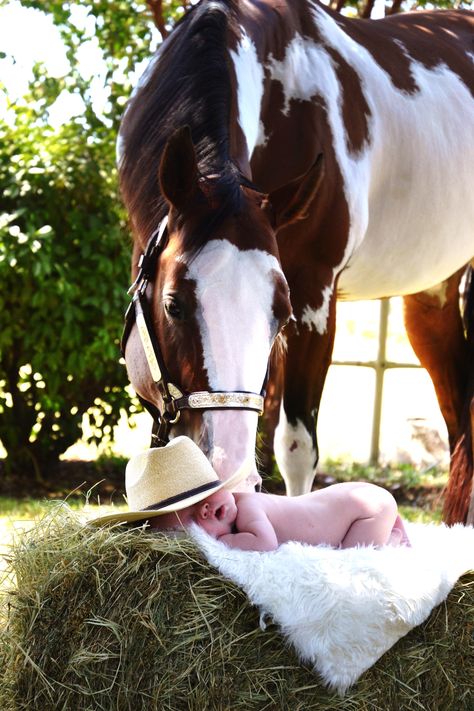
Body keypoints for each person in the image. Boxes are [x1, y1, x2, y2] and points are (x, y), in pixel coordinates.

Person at [90, 436, 410, 551]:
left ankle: (391, 543)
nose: (204, 511)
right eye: (190, 520)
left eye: (204, 499)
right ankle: (391, 532)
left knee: (355, 560)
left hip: (364, 507)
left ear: (221, 486)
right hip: (352, 502)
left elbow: (266, 544)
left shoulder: (248, 507)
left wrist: (221, 543)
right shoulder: (233, 512)